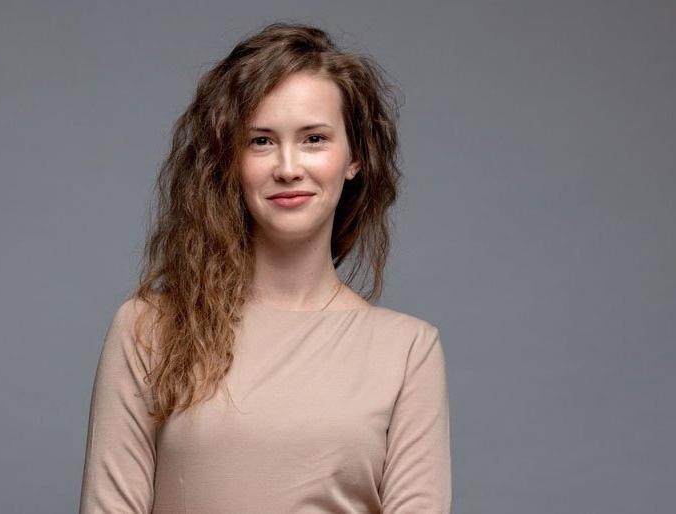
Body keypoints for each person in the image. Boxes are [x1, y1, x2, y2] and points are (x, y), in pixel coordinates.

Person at [78, 21, 451, 513]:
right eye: (260, 141)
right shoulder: (149, 328)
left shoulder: (407, 351)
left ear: (354, 157)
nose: (288, 167)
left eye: (314, 138)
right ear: (229, 161)